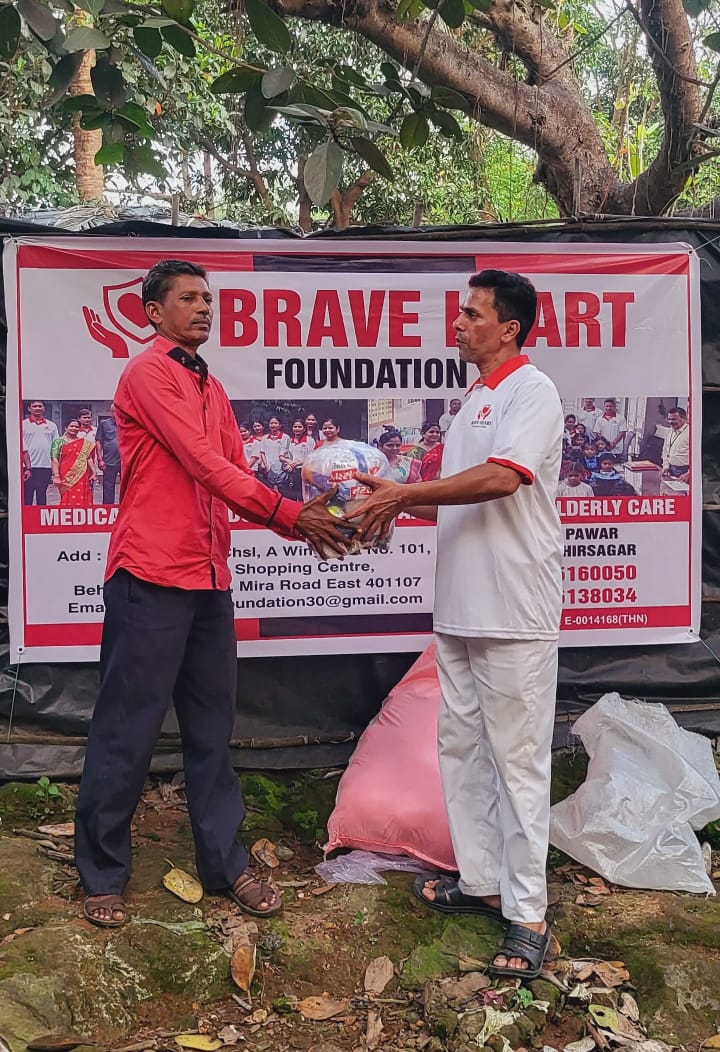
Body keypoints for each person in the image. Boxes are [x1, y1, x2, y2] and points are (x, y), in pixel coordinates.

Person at [74, 259, 351, 930]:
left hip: (207, 577)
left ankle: (224, 866)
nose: (204, 307)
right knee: (126, 730)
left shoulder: (211, 385)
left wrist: (305, 520)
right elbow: (202, 463)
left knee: (211, 732)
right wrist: (292, 517)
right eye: (189, 298)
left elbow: (231, 471)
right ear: (153, 312)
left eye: (208, 298)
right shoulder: (148, 373)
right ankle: (102, 873)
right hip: (149, 574)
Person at [349, 269, 563, 980]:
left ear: (509, 328)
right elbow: (451, 495)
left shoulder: (532, 391)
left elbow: (504, 478)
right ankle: (481, 882)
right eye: (461, 313)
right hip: (461, 606)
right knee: (462, 750)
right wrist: (390, 500)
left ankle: (528, 915)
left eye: (473, 314)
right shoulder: (474, 399)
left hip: (515, 608)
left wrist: (407, 491)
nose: (460, 324)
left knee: (518, 762)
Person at [51, 419, 96, 507]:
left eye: (76, 427)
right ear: (66, 428)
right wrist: (56, 476)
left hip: (82, 474)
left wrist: (94, 472)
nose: (74, 428)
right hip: (66, 474)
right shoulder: (59, 441)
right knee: (67, 495)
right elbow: (54, 459)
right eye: (71, 426)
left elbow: (89, 458)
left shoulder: (84, 442)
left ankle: (83, 514)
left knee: (83, 494)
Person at [22, 400, 59, 506]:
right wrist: (27, 467)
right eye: (34, 406)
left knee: (42, 494)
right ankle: (28, 516)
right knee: (27, 495)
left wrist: (55, 466)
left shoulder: (52, 425)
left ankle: (40, 516)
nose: (37, 408)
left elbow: (56, 446)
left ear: (44, 408)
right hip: (27, 467)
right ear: (29, 408)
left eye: (40, 406)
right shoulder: (23, 424)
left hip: (45, 465)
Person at [279, 418, 315, 497]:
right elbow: (281, 456)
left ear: (304, 428)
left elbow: (312, 457)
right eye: (295, 427)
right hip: (290, 471)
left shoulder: (310, 440)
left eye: (299, 427)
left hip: (304, 470)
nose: (297, 429)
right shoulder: (288, 440)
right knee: (290, 495)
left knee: (304, 495)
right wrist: (289, 462)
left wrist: (296, 464)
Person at [95, 404, 121, 505]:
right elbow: (98, 441)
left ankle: (125, 507)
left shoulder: (127, 424)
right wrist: (100, 459)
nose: (116, 413)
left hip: (125, 461)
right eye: (114, 411)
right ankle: (108, 508)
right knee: (108, 487)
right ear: (110, 412)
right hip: (109, 461)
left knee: (127, 487)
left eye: (118, 411)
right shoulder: (104, 424)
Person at [261, 415, 291, 492]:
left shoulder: (286, 437)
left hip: (280, 469)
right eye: (271, 423)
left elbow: (286, 453)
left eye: (275, 423)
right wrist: (266, 465)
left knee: (281, 492)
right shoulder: (264, 438)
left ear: (280, 425)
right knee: (268, 491)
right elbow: (262, 453)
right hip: (267, 468)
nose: (273, 425)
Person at [661, 406, 690, 482]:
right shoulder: (669, 431)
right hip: (671, 469)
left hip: (685, 471)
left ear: (684, 419)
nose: (670, 422)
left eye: (674, 419)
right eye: (669, 419)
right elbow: (665, 450)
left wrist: (689, 473)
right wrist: (665, 466)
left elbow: (699, 456)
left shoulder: (690, 432)